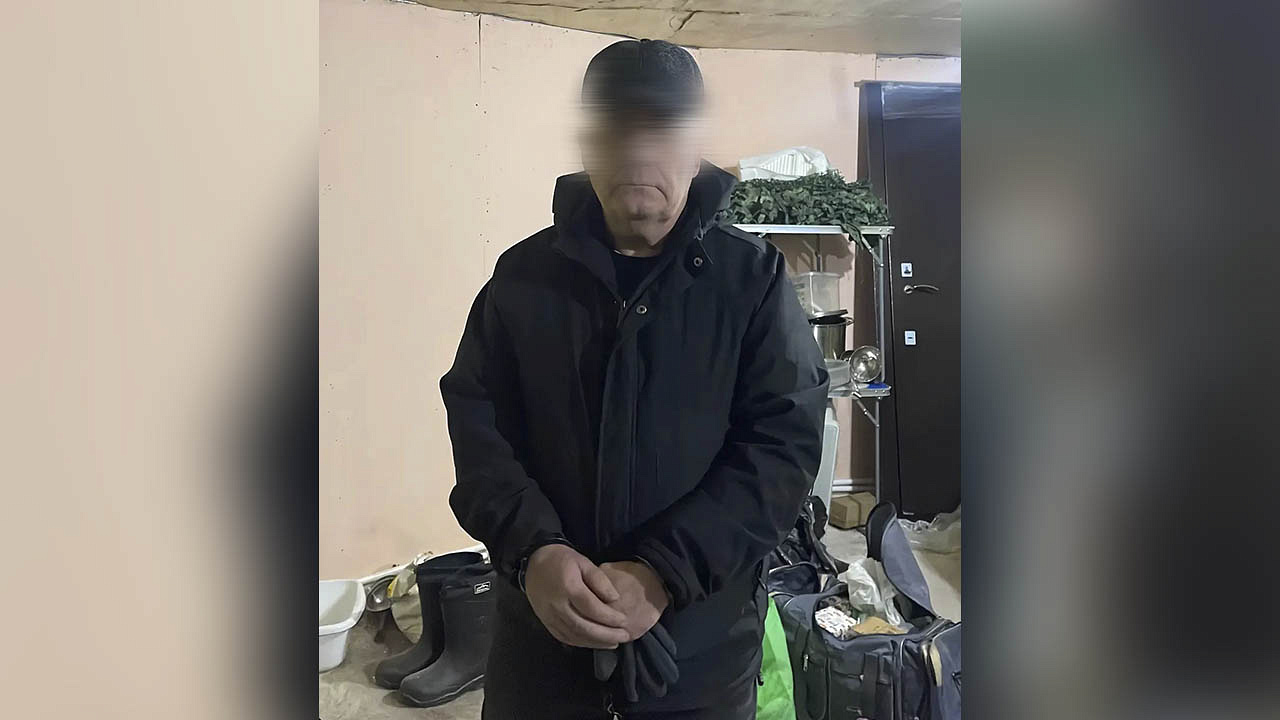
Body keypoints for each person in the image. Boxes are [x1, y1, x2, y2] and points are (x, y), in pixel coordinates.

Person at [441, 38, 828, 719]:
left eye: (663, 128)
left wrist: (663, 571)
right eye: (617, 127)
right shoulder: (521, 281)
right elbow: (481, 430)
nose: (639, 149)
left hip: (698, 661)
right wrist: (535, 554)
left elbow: (782, 449)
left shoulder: (752, 284)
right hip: (541, 656)